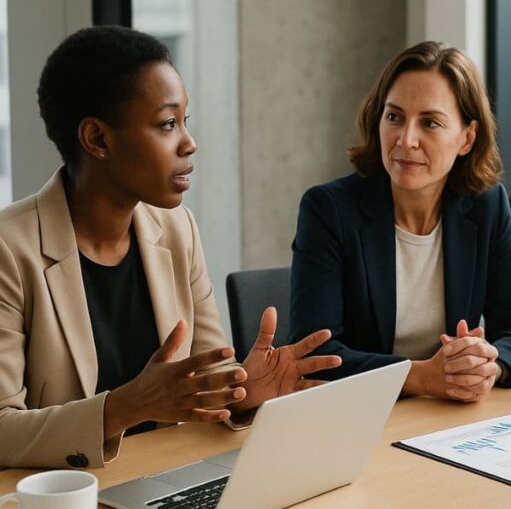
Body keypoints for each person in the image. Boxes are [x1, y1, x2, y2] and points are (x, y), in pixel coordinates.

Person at [0, 26, 341, 470]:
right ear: (98, 139)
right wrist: (124, 407)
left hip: (166, 479)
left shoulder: (176, 228)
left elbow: (209, 377)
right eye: (167, 124)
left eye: (186, 121)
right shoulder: (10, 249)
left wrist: (243, 390)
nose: (189, 142)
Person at [289, 41, 511, 402]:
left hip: (447, 416)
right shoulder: (328, 210)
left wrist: (488, 366)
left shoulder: (486, 205)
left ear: (467, 138)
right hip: (357, 418)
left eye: (430, 123)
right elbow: (314, 355)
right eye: (394, 117)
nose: (406, 140)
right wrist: (422, 376)